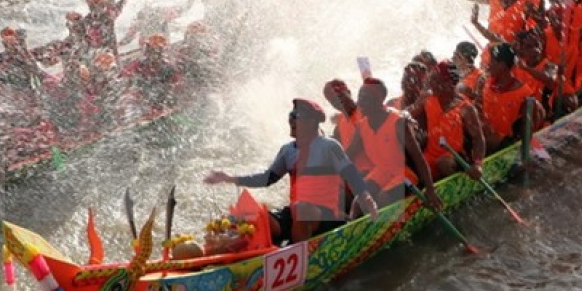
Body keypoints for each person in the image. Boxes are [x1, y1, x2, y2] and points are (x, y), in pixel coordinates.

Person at [205, 99, 377, 245]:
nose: (291, 121)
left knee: (300, 209)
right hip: (297, 213)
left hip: (327, 215)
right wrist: (230, 178)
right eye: (290, 116)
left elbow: (351, 174)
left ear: (312, 122)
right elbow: (267, 179)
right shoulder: (287, 151)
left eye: (297, 117)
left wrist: (366, 198)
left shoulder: (329, 146)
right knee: (253, 215)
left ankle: (298, 255)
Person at [347, 79, 442, 208]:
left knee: (382, 198)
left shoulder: (398, 122)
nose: (360, 103)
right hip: (381, 171)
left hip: (404, 173)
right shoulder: (361, 127)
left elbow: (418, 158)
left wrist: (430, 190)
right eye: (359, 97)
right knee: (358, 202)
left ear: (378, 100)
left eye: (365, 98)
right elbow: (347, 155)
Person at [407, 60, 486, 180]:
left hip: (453, 158)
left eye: (435, 80)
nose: (430, 84)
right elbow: (409, 112)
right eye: (431, 79)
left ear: (449, 83)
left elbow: (478, 139)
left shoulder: (465, 108)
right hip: (429, 156)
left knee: (443, 163)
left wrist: (478, 164)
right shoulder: (428, 97)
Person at [476, 43, 545, 152]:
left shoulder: (524, 94)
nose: (488, 64)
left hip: (504, 145)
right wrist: (478, 92)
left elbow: (528, 130)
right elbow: (478, 108)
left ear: (502, 65)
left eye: (492, 61)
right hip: (483, 136)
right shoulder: (485, 83)